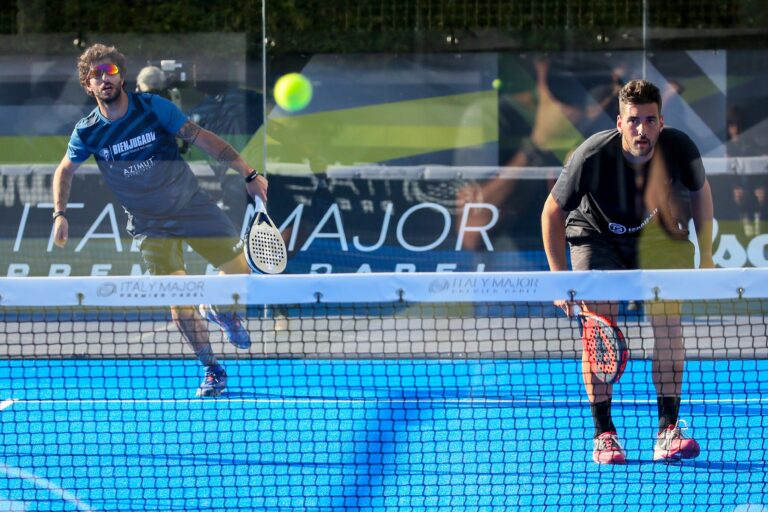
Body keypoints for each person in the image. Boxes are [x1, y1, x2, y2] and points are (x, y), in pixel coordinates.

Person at [51, 44, 268, 398]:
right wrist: (60, 213)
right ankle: (212, 369)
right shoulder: (87, 131)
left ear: (121, 76)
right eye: (96, 76)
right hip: (150, 225)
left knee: (240, 271)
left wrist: (247, 171)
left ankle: (220, 310)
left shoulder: (153, 108)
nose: (104, 79)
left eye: (110, 72)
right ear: (88, 86)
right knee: (178, 308)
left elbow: (202, 139)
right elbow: (64, 170)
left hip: (191, 206)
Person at [540, 79, 714, 464]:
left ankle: (668, 430)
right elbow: (552, 212)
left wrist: (707, 258)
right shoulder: (592, 156)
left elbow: (701, 191)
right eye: (634, 121)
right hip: (595, 237)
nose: (642, 129)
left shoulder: (679, 148)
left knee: (668, 322)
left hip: (654, 235)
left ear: (661, 122)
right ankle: (604, 433)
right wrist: (558, 278)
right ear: (620, 123)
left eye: (650, 121)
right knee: (599, 324)